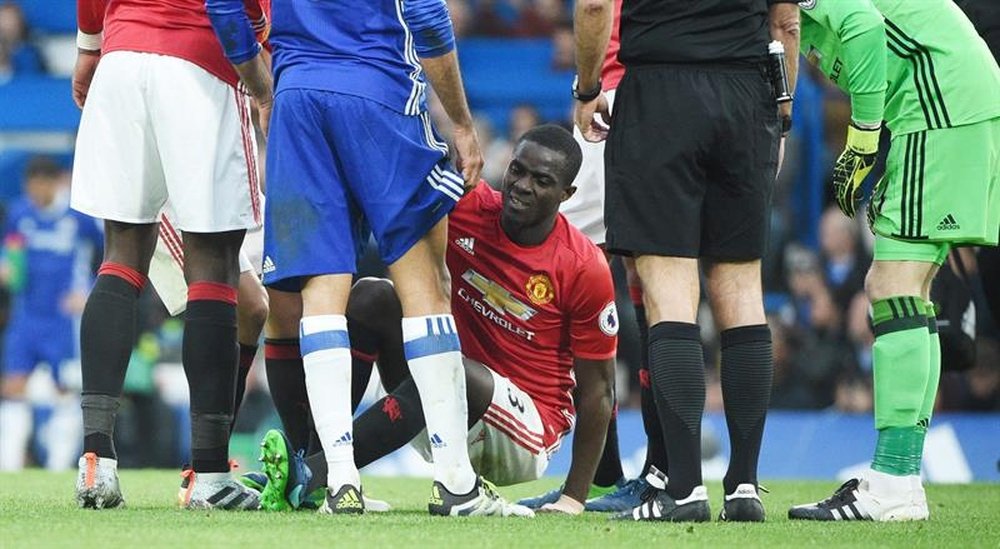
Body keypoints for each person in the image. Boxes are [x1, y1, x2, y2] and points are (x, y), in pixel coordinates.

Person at [234, 0, 509, 516]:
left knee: (323, 290)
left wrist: (261, 85)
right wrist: (463, 123)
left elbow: (223, 7)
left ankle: (340, 481)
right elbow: (426, 13)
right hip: (380, 90)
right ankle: (455, 483)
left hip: (298, 96)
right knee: (426, 286)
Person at [257, 125, 616, 517]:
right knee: (371, 297)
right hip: (439, 405)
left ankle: (311, 473)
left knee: (452, 369)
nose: (523, 186)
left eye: (542, 180)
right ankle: (313, 464)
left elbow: (598, 389)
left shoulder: (583, 267)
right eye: (518, 170)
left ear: (567, 195)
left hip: (524, 432)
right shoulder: (468, 208)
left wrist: (573, 498)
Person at [573, 0, 800, 522]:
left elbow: (592, 8)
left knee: (669, 288)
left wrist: (587, 90)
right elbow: (786, 23)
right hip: (748, 95)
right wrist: (781, 113)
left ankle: (684, 490)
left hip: (659, 93)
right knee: (742, 291)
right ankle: (744, 487)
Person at [789, 0, 1000, 522]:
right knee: (906, 291)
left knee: (892, 286)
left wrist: (860, 141)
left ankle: (894, 482)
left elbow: (860, 26)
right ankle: (899, 479)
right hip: (944, 106)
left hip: (937, 109)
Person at [69, 0, 272, 510]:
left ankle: (96, 462)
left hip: (120, 62)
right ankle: (206, 475)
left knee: (120, 257)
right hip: (201, 63)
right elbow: (249, 10)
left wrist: (90, 48)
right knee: (213, 268)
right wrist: (261, 70)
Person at [519, 0, 661, 514]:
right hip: (689, 92)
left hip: (614, 92)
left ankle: (615, 475)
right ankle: (662, 476)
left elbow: (597, 6)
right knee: (659, 281)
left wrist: (587, 87)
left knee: (560, 269)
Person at [0, 157, 102, 471]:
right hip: (27, 316)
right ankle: (9, 466)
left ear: (55, 183)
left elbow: (109, 255)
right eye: (32, 187)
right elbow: (12, 253)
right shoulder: (20, 215)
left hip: (63, 321)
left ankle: (59, 466)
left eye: (43, 185)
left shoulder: (78, 219)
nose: (37, 193)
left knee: (64, 390)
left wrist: (89, 291)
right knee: (14, 386)